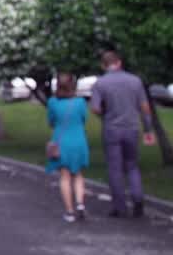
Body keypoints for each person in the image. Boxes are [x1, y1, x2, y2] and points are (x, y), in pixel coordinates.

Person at [90, 51, 157, 218]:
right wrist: (148, 129)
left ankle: (119, 207)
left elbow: (95, 108)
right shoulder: (135, 81)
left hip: (111, 129)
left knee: (115, 169)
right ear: (119, 63)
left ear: (103, 65)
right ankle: (138, 199)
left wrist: (105, 115)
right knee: (132, 166)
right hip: (132, 128)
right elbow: (145, 107)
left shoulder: (100, 83)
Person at [46, 74, 90, 223]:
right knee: (78, 174)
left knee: (64, 177)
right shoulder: (80, 102)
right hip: (79, 140)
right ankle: (80, 204)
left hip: (61, 141)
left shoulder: (53, 102)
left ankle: (69, 212)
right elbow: (84, 119)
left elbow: (51, 121)